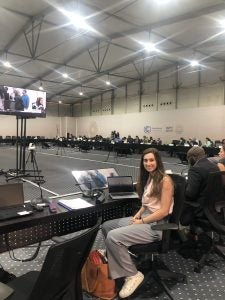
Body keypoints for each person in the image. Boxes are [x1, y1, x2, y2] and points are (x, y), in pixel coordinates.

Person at [101, 148, 174, 298]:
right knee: (107, 226)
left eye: (151, 160)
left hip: (157, 224)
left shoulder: (165, 180)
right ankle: (119, 258)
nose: (148, 163)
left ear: (158, 161)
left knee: (113, 237)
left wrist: (141, 221)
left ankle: (132, 274)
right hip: (145, 218)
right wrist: (137, 215)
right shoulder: (150, 177)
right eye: (145, 160)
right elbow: (147, 204)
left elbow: (164, 211)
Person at [180, 146, 219, 226]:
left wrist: (183, 187)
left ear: (192, 158)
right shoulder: (215, 166)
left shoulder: (195, 169)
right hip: (213, 207)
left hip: (199, 208)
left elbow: (190, 194)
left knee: (177, 196)